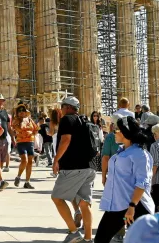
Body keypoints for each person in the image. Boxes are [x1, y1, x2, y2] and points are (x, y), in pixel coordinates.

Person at [95, 116, 154, 243]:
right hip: (117, 204)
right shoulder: (121, 151)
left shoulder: (140, 154)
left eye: (116, 130)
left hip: (135, 206)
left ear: (124, 132)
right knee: (100, 239)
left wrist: (132, 206)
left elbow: (142, 182)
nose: (114, 133)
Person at [51, 96, 96, 243]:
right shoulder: (85, 120)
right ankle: (88, 239)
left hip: (73, 167)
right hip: (89, 167)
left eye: (63, 106)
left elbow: (65, 140)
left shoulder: (67, 119)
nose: (61, 109)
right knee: (84, 203)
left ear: (68, 107)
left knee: (57, 198)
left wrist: (56, 159)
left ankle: (74, 232)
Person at [11, 104, 39, 189]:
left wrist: (33, 134)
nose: (21, 113)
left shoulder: (29, 120)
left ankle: (27, 182)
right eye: (19, 111)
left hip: (29, 142)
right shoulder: (16, 121)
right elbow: (15, 129)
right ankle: (18, 176)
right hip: (21, 142)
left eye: (23, 111)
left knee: (30, 162)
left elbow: (36, 129)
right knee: (24, 160)